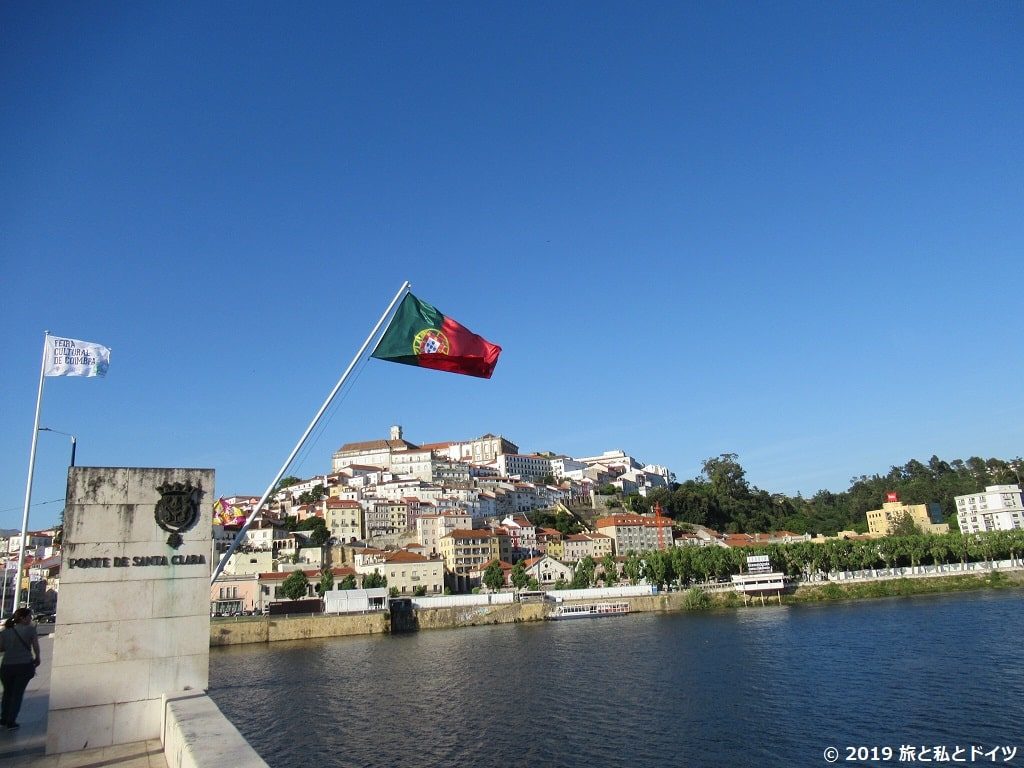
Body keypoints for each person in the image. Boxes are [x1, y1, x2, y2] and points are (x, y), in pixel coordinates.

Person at [0, 608, 41, 730]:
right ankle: (11, 721)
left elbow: (1, 648)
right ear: (22, 618)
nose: (31, 619)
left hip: (7, 666)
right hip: (23, 665)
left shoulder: (6, 631)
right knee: (17, 694)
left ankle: (4, 718)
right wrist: (37, 657)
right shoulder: (30, 630)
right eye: (29, 616)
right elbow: (35, 646)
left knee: (8, 692)